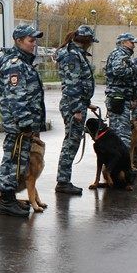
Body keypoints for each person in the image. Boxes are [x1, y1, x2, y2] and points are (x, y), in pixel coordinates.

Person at [0, 24, 46, 218]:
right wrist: (26, 123)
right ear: (18, 41)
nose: (33, 44)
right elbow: (16, 97)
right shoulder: (15, 64)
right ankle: (7, 201)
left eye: (35, 40)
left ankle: (9, 199)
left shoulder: (23, 63)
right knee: (12, 161)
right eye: (30, 40)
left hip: (24, 126)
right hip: (18, 125)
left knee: (18, 162)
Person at [54, 25, 98, 195]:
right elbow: (72, 85)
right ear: (86, 41)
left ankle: (64, 180)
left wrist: (86, 103)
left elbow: (80, 83)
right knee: (70, 143)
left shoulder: (76, 53)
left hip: (78, 104)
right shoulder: (72, 55)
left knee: (72, 142)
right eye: (91, 42)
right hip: (73, 106)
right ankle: (63, 182)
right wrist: (77, 109)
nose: (91, 45)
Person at [105, 33, 137, 147]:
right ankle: (120, 162)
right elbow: (118, 71)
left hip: (122, 97)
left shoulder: (125, 55)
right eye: (131, 42)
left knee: (117, 132)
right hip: (118, 98)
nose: (134, 45)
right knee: (122, 134)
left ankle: (115, 161)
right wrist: (134, 70)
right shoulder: (120, 54)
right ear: (123, 42)